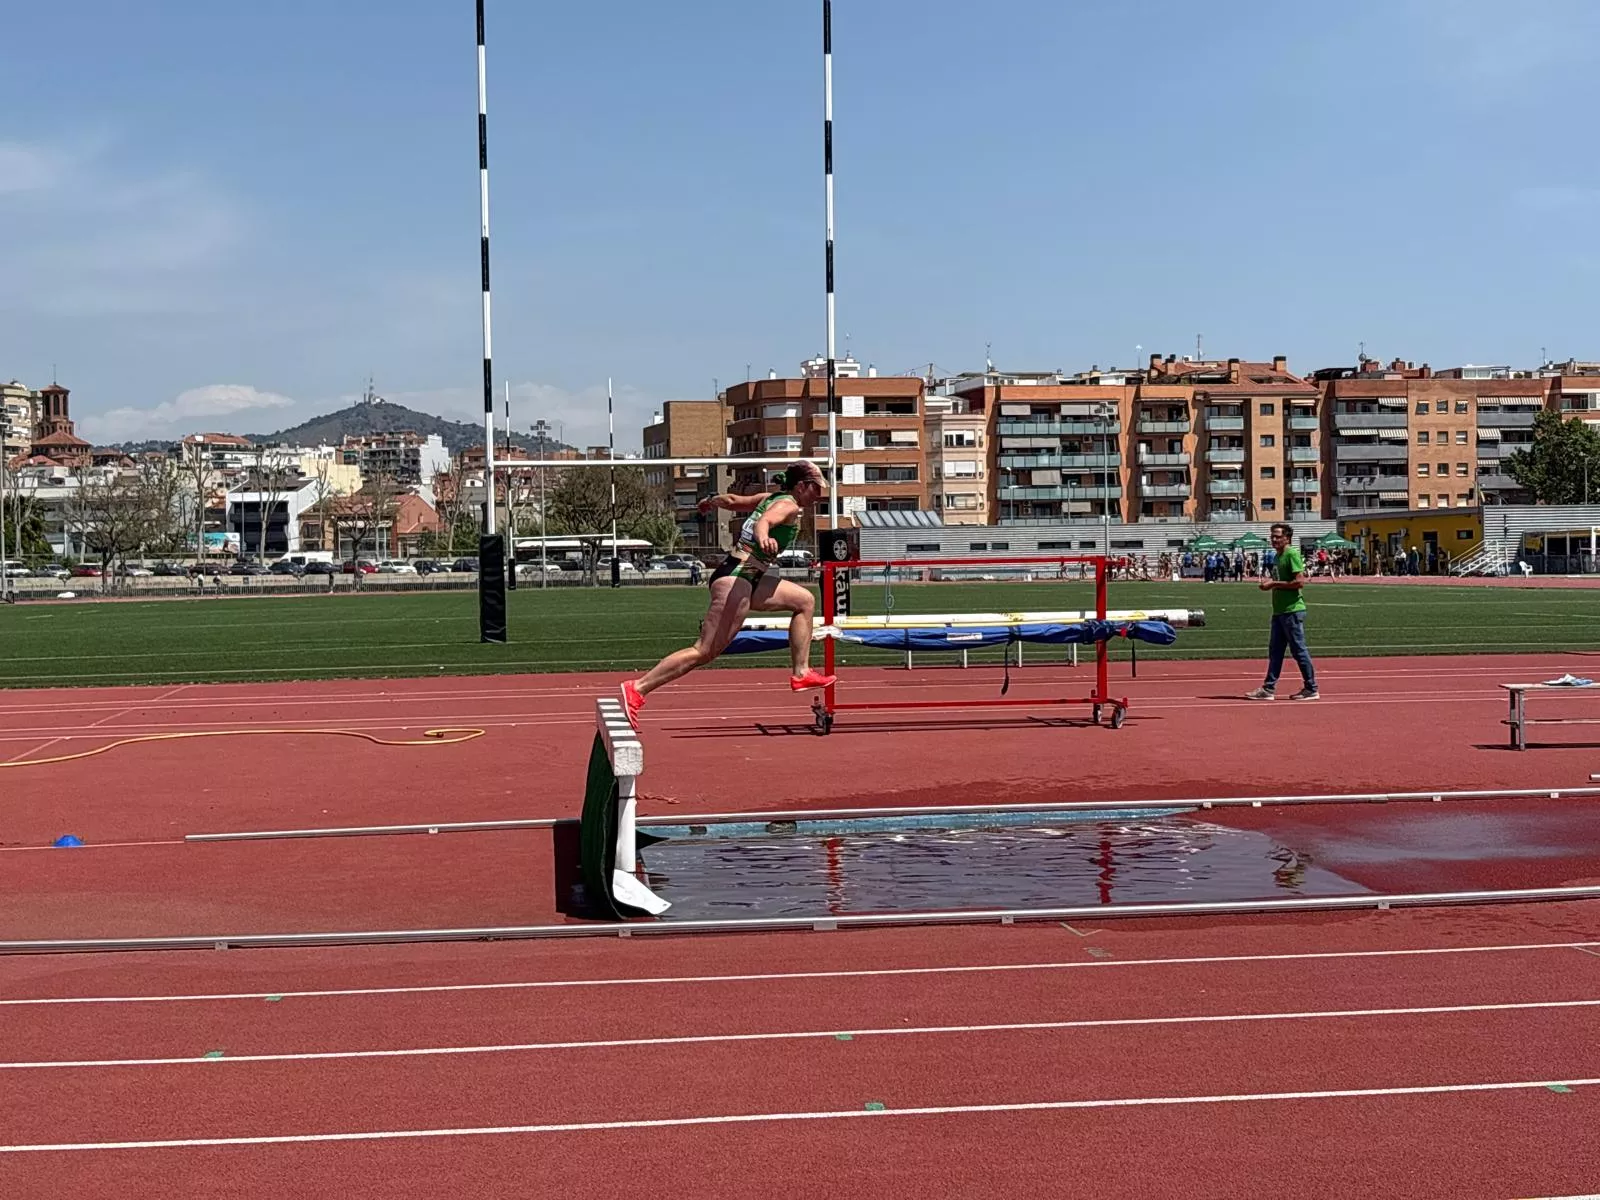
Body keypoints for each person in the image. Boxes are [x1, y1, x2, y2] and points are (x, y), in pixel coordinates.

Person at [620, 461, 835, 729]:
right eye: (816, 489)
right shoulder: (788, 504)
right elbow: (765, 522)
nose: (819, 495)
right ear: (801, 486)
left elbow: (733, 501)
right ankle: (637, 688)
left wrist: (711, 501)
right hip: (738, 578)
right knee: (705, 651)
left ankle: (801, 672)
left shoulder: (770, 497)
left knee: (804, 601)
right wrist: (764, 536)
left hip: (746, 576)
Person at [1245, 522, 1318, 701]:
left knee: (1298, 650)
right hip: (1279, 611)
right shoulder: (1277, 556)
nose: (1274, 539)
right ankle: (1268, 688)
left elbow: (1299, 582)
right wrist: (1270, 583)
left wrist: (1274, 584)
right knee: (1275, 651)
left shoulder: (1291, 554)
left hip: (1292, 611)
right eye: (1272, 536)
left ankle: (1311, 687)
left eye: (1278, 536)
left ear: (1287, 538)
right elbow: (1280, 579)